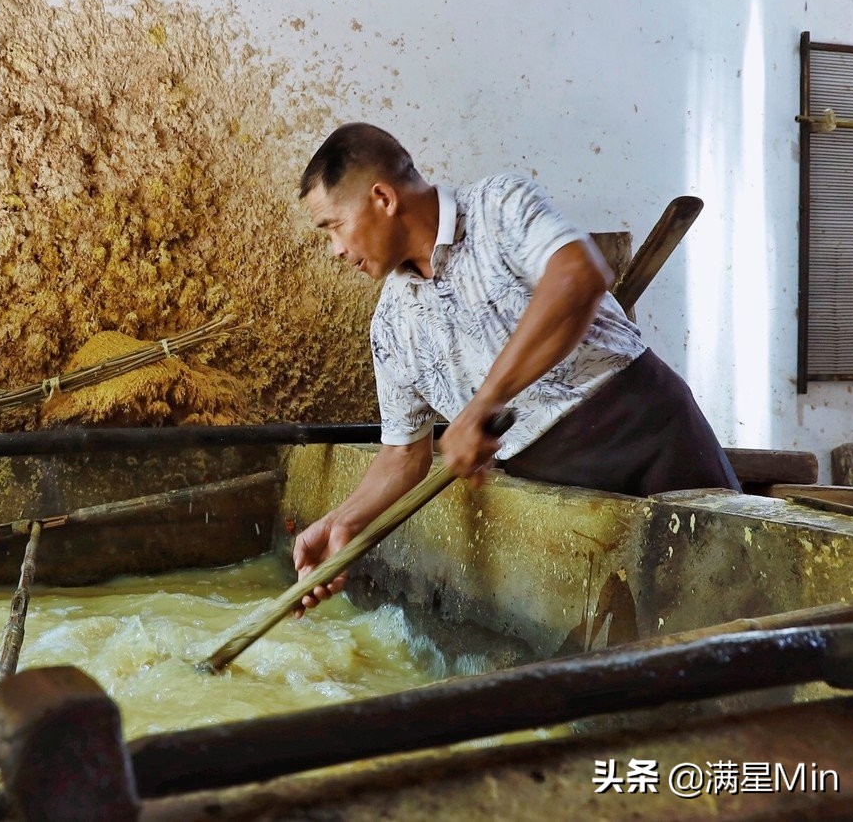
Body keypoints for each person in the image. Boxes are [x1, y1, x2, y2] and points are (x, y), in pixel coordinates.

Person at [293, 122, 739, 617]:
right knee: (636, 637)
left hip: (644, 431)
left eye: (333, 226)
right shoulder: (391, 326)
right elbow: (403, 454)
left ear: (382, 198)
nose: (335, 249)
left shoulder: (496, 205)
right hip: (557, 490)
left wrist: (483, 403)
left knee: (735, 603)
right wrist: (344, 522)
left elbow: (579, 276)